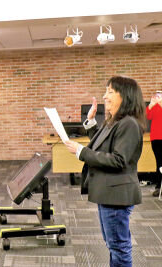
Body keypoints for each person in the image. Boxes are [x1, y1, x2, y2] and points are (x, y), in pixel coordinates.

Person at [64, 76, 146, 267]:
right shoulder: (116, 121)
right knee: (113, 245)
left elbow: (118, 160)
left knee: (118, 247)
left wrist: (80, 151)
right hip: (109, 193)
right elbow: (102, 145)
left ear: (124, 96)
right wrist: (91, 122)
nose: (105, 96)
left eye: (110, 91)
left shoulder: (129, 124)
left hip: (117, 195)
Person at [146, 91, 162, 197]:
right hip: (156, 138)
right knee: (159, 162)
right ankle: (159, 186)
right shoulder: (154, 107)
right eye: (156, 96)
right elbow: (148, 116)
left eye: (159, 96)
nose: (157, 98)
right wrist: (150, 105)